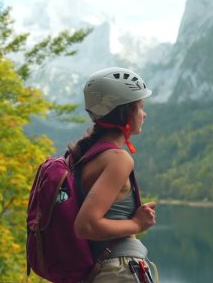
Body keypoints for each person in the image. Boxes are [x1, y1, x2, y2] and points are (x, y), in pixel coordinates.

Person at [71, 67, 158, 283]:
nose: (144, 114)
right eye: (140, 107)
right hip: (119, 271)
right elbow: (86, 225)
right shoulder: (118, 158)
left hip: (101, 270)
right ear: (125, 112)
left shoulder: (85, 156)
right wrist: (137, 224)